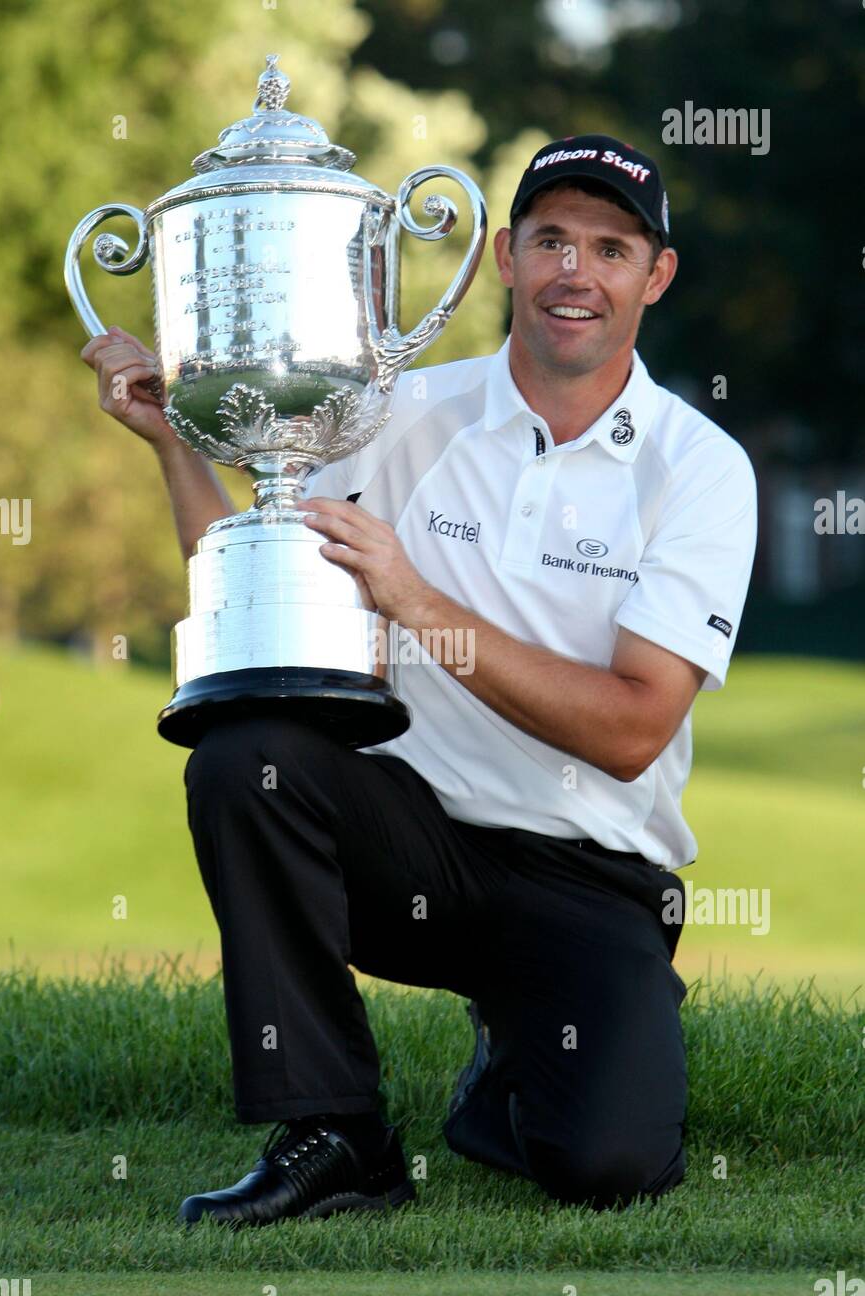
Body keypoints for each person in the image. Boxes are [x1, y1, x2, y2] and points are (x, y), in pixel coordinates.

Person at [80, 134, 758, 1227]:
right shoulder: (394, 410)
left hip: (589, 877)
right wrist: (173, 444)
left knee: (605, 1165)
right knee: (245, 759)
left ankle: (508, 1061)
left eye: (608, 247)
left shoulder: (699, 468)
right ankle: (337, 1134)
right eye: (548, 241)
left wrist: (415, 601)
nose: (573, 274)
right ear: (501, 256)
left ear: (653, 274)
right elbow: (252, 589)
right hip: (414, 847)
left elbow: (634, 728)